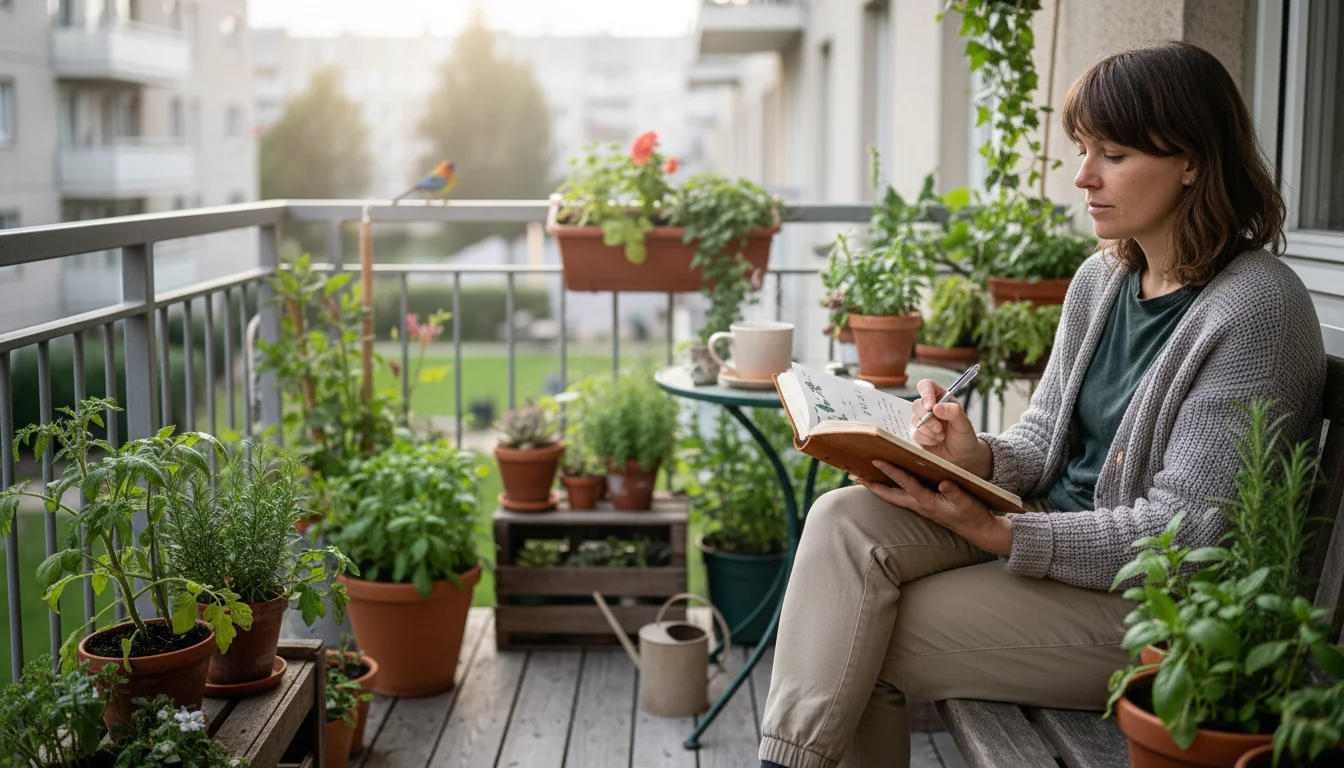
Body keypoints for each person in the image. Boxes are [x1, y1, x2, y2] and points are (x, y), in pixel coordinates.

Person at [758, 41, 1326, 768]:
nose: (1084, 176)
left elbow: (1190, 543)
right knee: (842, 517)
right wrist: (977, 454)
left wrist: (1004, 537)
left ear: (1192, 161)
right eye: (1083, 149)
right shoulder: (1102, 279)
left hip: (1149, 607)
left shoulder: (1255, 310)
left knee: (858, 635)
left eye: (1113, 154)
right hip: (1049, 532)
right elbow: (1043, 439)